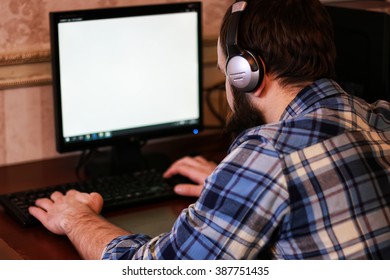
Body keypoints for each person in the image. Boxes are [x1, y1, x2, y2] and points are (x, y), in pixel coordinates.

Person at [29, 0, 390, 259]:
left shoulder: (266, 156)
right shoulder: (377, 117)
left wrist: (77, 218)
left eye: (224, 73)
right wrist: (234, 186)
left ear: (247, 74)